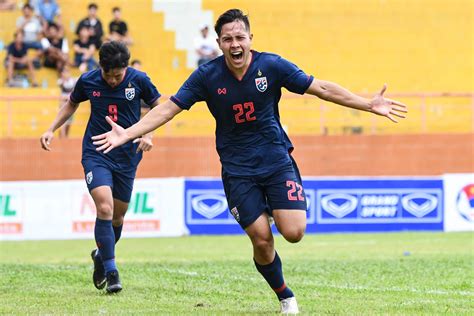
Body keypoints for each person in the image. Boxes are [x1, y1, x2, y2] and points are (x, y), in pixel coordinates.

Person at [91, 9, 407, 312]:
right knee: (261, 238)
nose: (235, 44)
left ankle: (272, 207)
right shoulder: (207, 76)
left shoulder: (272, 66)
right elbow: (169, 107)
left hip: (276, 161)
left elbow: (320, 88)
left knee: (294, 232)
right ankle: (286, 297)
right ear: (219, 44)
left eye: (240, 37)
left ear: (250, 38)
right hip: (238, 170)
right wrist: (129, 133)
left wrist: (368, 104)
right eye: (227, 39)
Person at [40, 41, 161, 293]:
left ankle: (100, 255)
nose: (114, 80)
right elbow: (72, 103)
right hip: (96, 152)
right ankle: (112, 271)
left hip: (127, 154)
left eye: (118, 75)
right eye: (109, 75)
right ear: (101, 68)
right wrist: (52, 128)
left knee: (118, 216)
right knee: (104, 207)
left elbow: (159, 105)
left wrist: (148, 134)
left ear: (125, 68)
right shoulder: (88, 81)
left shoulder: (139, 80)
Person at [56, 67, 76, 137]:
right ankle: (63, 139)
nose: (66, 74)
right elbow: (62, 85)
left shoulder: (73, 80)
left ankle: (65, 139)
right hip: (63, 104)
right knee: (63, 123)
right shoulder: (60, 81)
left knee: (69, 123)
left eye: (67, 72)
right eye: (64, 72)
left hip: (71, 104)